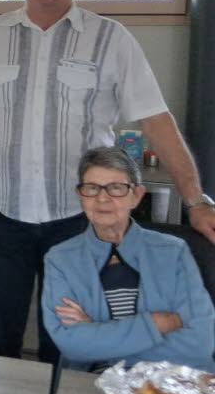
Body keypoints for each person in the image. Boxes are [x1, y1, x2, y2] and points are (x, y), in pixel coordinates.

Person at [0, 0, 215, 361]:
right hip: (2, 213)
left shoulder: (111, 38)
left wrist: (195, 200)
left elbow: (157, 121)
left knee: (74, 338)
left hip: (81, 219)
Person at [43, 146, 215, 372]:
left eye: (116, 188)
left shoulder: (173, 252)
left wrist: (98, 332)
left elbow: (199, 344)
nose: (102, 198)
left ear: (137, 196)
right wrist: (156, 324)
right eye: (92, 188)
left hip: (176, 383)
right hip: (94, 385)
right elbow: (72, 345)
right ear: (80, 196)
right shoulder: (61, 259)